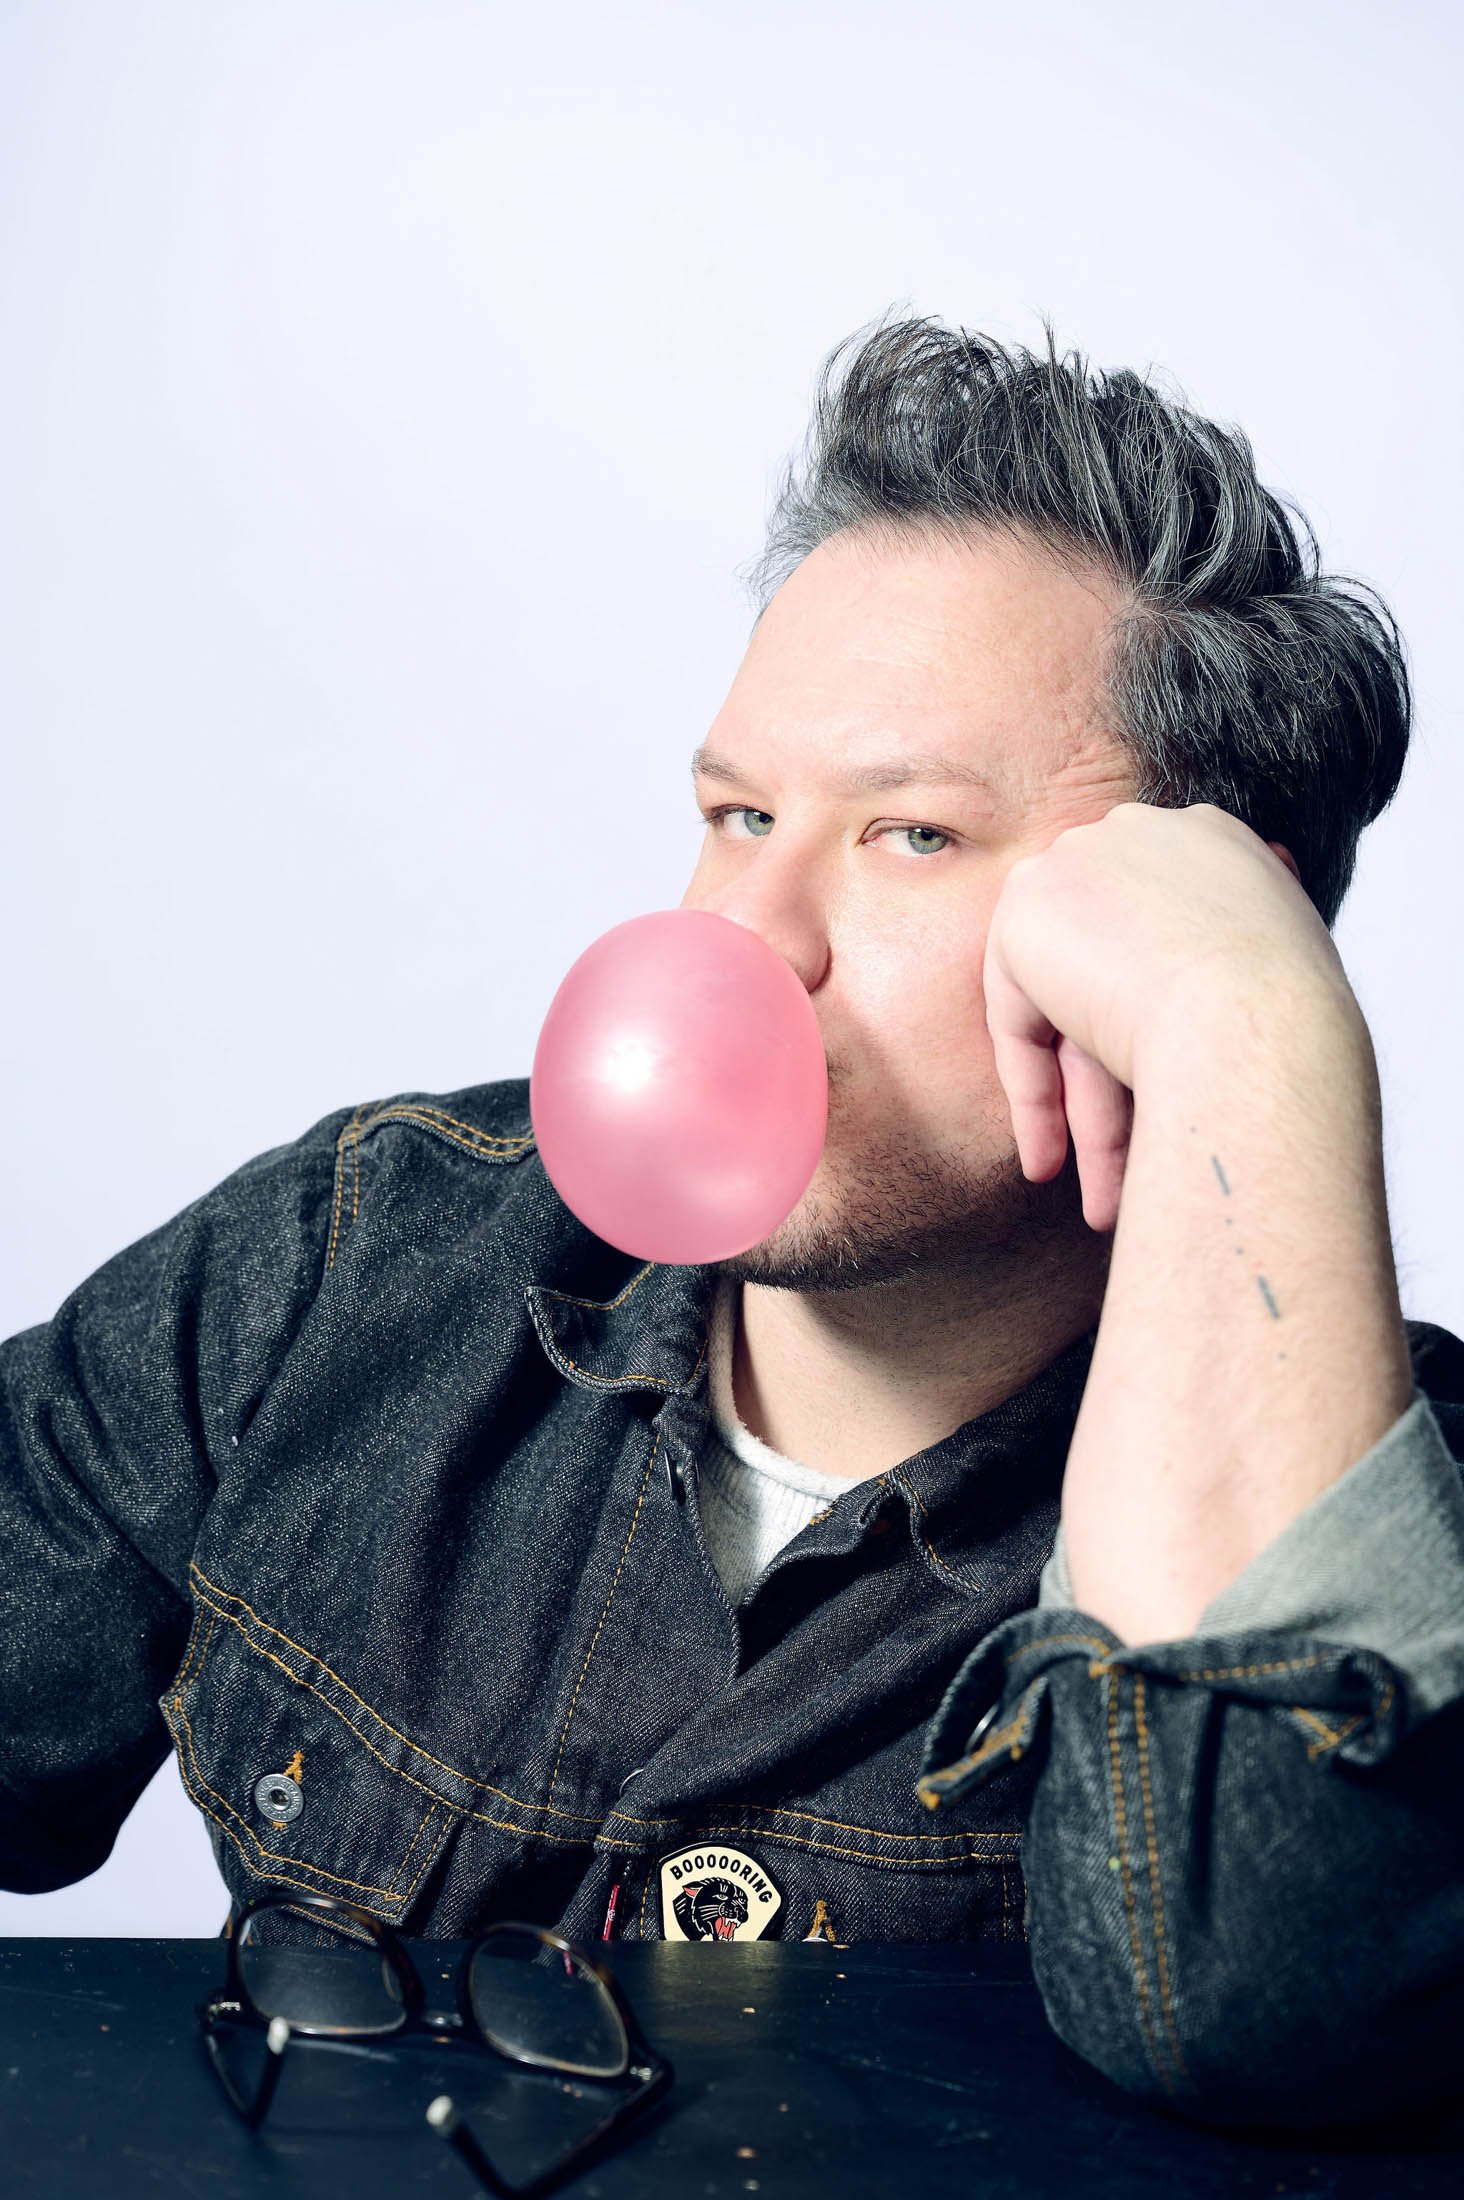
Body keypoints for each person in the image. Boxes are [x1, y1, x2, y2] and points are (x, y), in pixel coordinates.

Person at [4, 313, 1462, 2133]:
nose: (748, 936)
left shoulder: (1422, 1535)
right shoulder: (358, 1254)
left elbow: (1252, 2014)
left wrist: (1262, 1035)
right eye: (742, 812)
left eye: (912, 835)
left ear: (1193, 914)